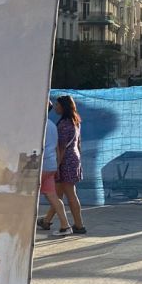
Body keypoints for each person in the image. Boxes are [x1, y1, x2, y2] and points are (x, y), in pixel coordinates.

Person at [43, 95, 86, 235]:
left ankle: (79, 225)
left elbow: (60, 147)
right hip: (73, 159)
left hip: (65, 161)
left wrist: (57, 165)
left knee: (70, 193)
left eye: (57, 105)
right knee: (57, 193)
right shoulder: (75, 121)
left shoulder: (64, 124)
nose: (55, 107)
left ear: (63, 106)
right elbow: (78, 143)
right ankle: (47, 220)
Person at [37, 103, 71, 238]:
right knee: (53, 196)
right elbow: (56, 147)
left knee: (27, 195)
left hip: (40, 165)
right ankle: (65, 225)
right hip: (50, 165)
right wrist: (56, 164)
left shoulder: (39, 124)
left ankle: (20, 225)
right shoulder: (52, 125)